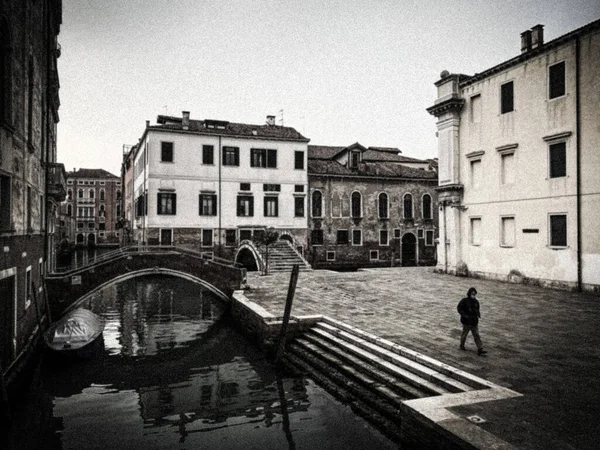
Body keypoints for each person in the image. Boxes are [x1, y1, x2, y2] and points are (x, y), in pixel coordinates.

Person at [457, 287, 487, 355]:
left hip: (474, 321)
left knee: (476, 335)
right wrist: (464, 315)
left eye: (474, 294)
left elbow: (477, 309)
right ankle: (462, 345)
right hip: (466, 321)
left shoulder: (476, 302)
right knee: (464, 334)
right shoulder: (464, 301)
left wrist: (478, 314)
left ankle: (480, 348)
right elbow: (459, 308)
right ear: (469, 293)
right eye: (472, 294)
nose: (473, 295)